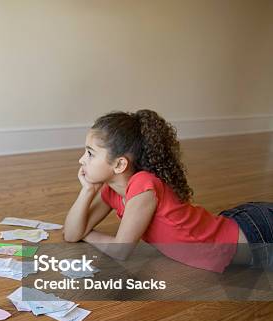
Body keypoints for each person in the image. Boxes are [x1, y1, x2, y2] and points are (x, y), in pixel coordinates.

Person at [63, 109, 272, 272]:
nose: (81, 160)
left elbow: (121, 250)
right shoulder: (111, 191)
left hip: (256, 236)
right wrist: (87, 191)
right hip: (237, 226)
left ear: (119, 165)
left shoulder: (143, 185)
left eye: (90, 153)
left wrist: (86, 233)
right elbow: (71, 234)